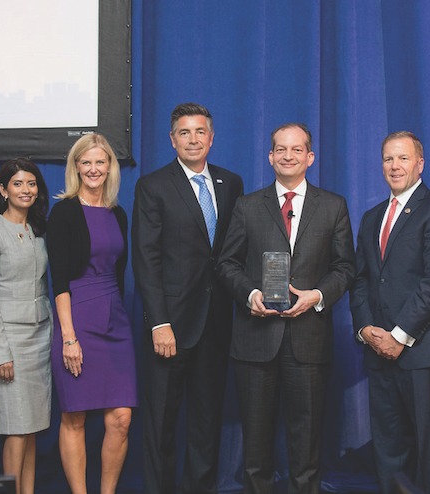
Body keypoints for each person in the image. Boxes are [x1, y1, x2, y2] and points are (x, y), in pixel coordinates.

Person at [218, 123, 355, 493]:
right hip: (255, 342)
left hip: (308, 342)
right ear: (270, 157)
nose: (288, 156)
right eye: (281, 149)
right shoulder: (247, 206)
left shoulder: (333, 206)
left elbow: (345, 268)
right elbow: (227, 264)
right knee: (256, 448)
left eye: (297, 150)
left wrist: (317, 295)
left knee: (307, 445)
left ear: (310, 157)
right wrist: (250, 295)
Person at [132, 103, 243, 493]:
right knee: (161, 420)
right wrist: (159, 322)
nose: (193, 139)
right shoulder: (153, 185)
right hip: (171, 325)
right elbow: (146, 259)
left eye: (200, 132)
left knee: (206, 420)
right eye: (184, 132)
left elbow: (233, 253)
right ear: (172, 139)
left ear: (211, 138)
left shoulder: (232, 183)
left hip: (217, 322)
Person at [350, 131, 430, 493]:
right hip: (378, 352)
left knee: (427, 452)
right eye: (387, 159)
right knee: (387, 449)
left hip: (420, 352)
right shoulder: (371, 217)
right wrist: (366, 328)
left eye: (402, 158)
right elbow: (361, 279)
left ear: (420, 163)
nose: (394, 166)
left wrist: (398, 336)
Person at [47, 133, 137, 494]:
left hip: (115, 320)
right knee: (75, 416)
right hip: (77, 319)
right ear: (76, 167)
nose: (94, 169)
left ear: (110, 167)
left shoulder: (118, 213)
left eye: (101, 162)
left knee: (121, 418)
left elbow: (119, 271)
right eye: (86, 162)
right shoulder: (65, 211)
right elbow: (60, 280)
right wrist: (69, 337)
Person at [0, 158, 52, 494]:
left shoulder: (38, 229)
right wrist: (0, 352)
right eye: (18, 184)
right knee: (16, 429)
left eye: (31, 183)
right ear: (3, 190)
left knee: (32, 429)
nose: (26, 190)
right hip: (10, 343)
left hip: (40, 338)